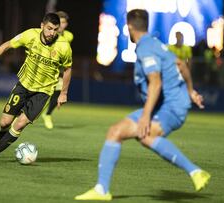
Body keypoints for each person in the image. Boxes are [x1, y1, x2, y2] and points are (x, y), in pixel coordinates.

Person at [75, 9, 210, 201]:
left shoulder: (145, 47)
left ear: (129, 27)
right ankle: (101, 190)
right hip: (164, 104)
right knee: (115, 132)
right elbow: (181, 64)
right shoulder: (156, 44)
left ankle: (195, 171)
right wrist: (190, 91)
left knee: (144, 135)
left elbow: (155, 82)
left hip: (171, 107)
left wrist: (146, 115)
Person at [0, 13, 72, 163]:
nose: (51, 33)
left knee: (20, 123)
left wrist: (63, 93)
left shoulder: (63, 46)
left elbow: (67, 69)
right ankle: (2, 143)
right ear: (42, 26)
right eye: (49, 29)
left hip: (43, 92)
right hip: (24, 85)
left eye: (55, 29)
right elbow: (7, 45)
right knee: (4, 123)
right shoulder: (30, 35)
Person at [42, 11, 74, 129]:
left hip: (58, 69)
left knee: (59, 93)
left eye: (64, 22)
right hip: (44, 67)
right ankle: (20, 114)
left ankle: (48, 114)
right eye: (59, 22)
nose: (61, 25)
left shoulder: (69, 36)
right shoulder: (47, 34)